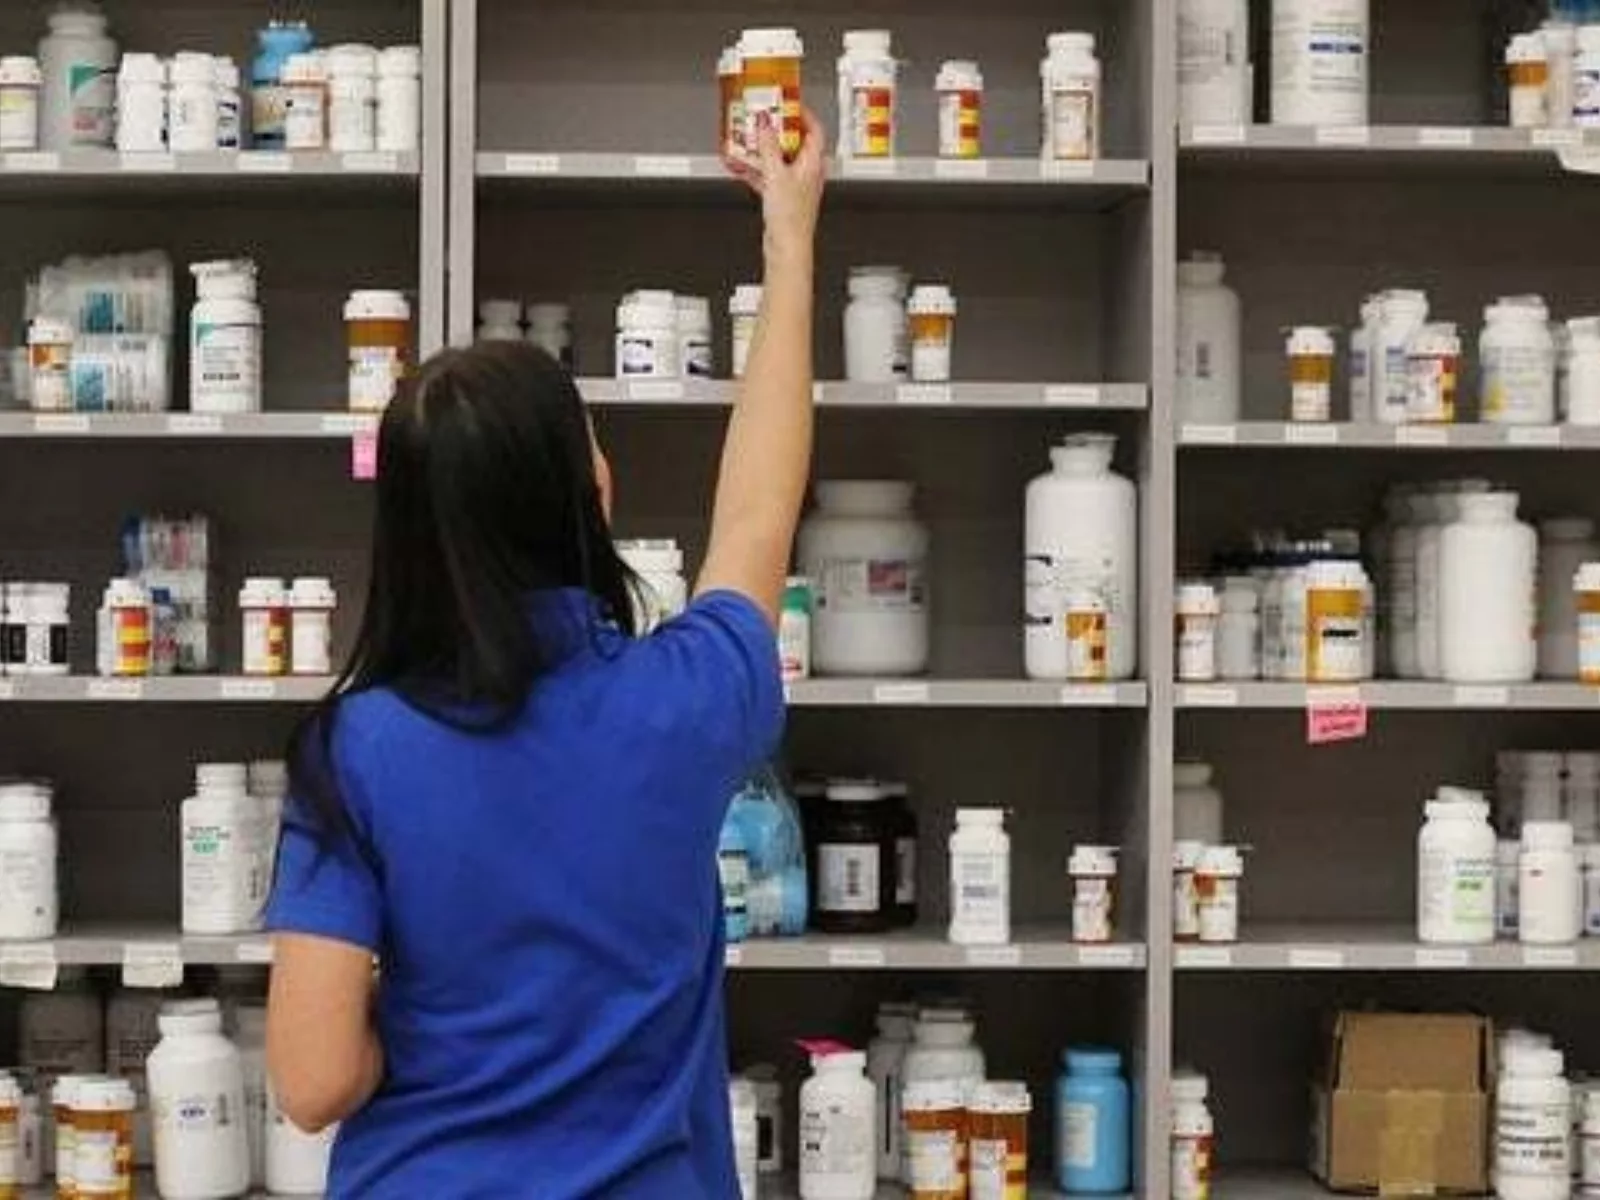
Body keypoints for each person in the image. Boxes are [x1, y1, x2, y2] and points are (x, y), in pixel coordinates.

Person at [263, 109, 827, 1198]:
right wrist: (789, 236)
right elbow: (760, 508)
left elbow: (312, 1081)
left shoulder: (355, 751)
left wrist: (413, 1042)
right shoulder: (689, 698)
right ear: (593, 495)